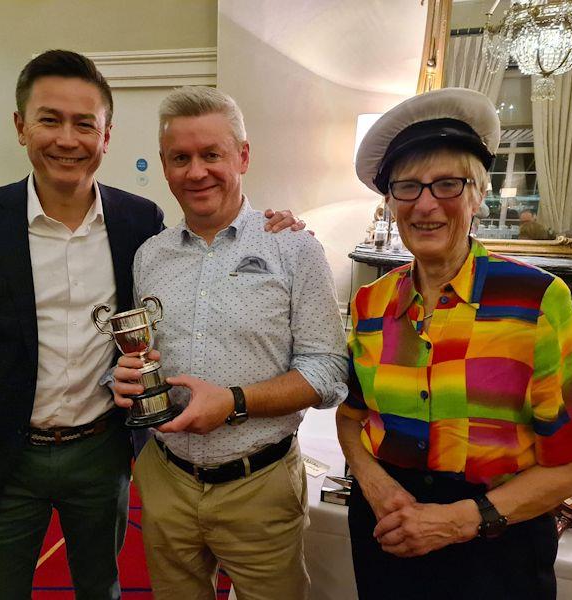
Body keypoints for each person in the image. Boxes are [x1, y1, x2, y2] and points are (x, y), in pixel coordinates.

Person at [0, 51, 301, 600]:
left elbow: (196, 267)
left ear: (107, 136)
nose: (67, 139)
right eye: (50, 120)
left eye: (84, 124)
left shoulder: (139, 223)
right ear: (21, 126)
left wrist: (273, 224)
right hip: (1, 454)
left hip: (101, 453)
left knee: (103, 588)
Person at [339, 87, 572, 600]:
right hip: (386, 529)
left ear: (479, 194)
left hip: (494, 539)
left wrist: (459, 521)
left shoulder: (537, 299)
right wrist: (374, 484)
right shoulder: (371, 302)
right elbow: (351, 419)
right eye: (408, 187)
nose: (425, 205)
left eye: (447, 185)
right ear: (390, 201)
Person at [111, 86, 348, 600]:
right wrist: (125, 376)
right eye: (181, 158)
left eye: (211, 154)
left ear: (243, 155)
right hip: (166, 478)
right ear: (165, 165)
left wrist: (234, 403)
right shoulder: (148, 256)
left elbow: (329, 372)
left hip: (258, 484)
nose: (196, 172)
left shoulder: (294, 248)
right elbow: (138, 355)